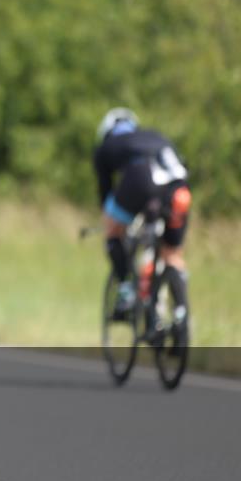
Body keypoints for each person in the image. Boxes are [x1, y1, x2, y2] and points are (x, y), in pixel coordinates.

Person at [93, 108, 192, 322]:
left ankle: (126, 290)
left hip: (142, 181)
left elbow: (105, 192)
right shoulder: (156, 136)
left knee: (113, 230)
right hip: (180, 189)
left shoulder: (106, 147)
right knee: (172, 253)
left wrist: (113, 221)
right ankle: (182, 314)